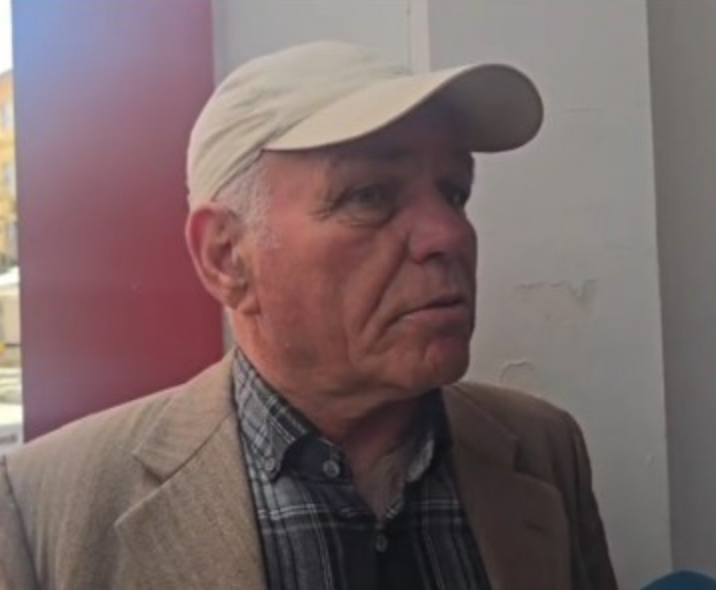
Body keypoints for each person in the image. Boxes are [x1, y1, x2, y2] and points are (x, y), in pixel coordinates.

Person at [0, 41, 617, 590]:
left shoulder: (542, 448)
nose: (449, 234)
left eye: (454, 192)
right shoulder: (39, 505)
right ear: (226, 257)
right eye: (370, 195)